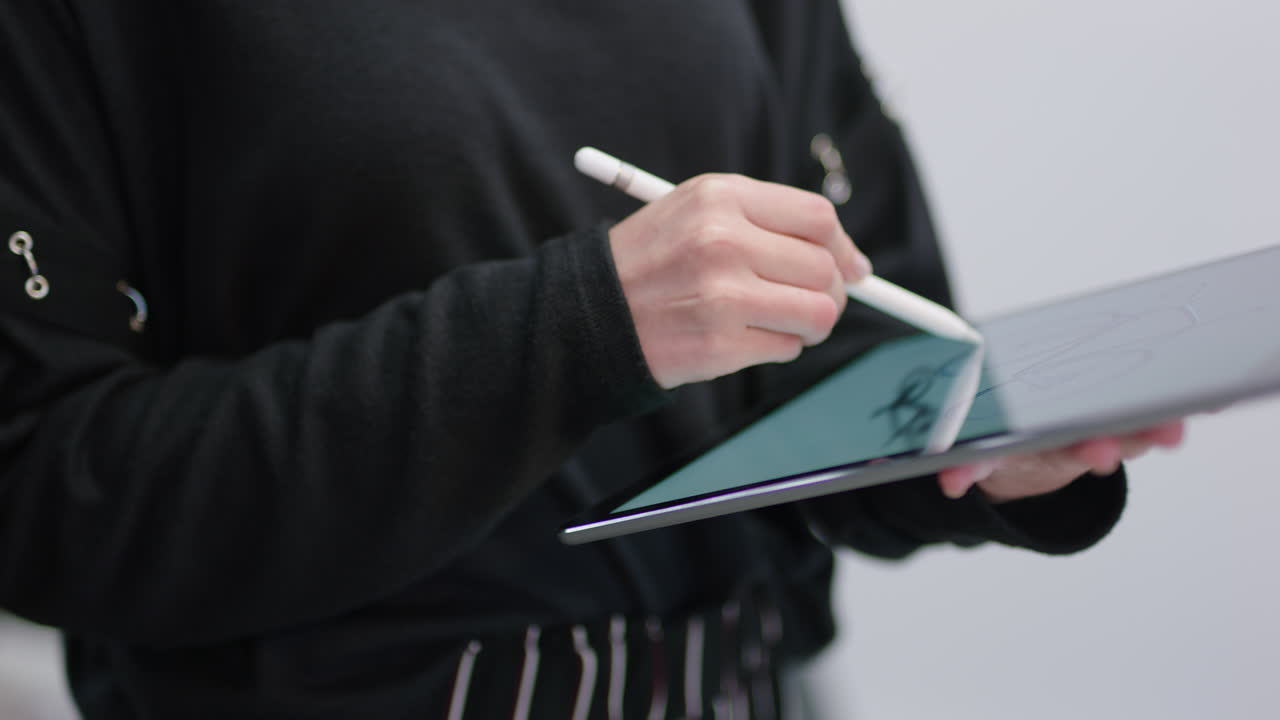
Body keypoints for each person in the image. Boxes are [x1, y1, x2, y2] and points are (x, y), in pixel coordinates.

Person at [0, 2, 1183, 718]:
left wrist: (986, 445)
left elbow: (857, 344)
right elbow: (45, 495)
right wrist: (575, 330)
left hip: (749, 688)